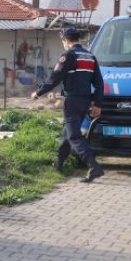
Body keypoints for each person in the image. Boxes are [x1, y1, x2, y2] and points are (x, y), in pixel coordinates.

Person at [31, 27, 105, 183]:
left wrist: (38, 92)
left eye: (63, 41)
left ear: (66, 40)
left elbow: (55, 78)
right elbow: (99, 83)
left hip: (72, 101)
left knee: (73, 135)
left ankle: (93, 166)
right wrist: (98, 103)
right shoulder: (90, 56)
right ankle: (58, 164)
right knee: (67, 133)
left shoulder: (69, 56)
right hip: (85, 102)